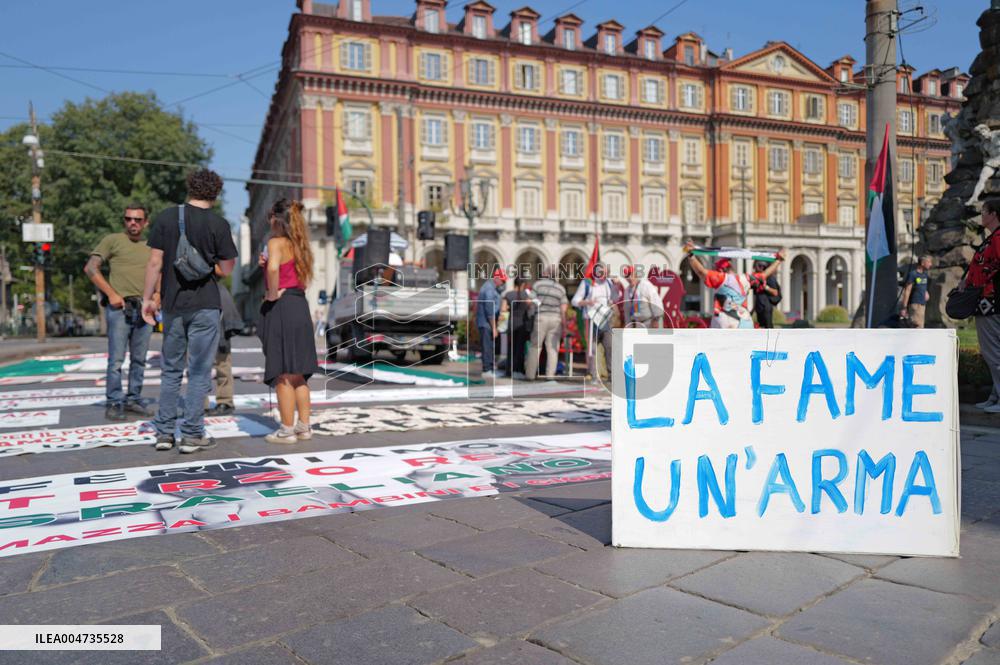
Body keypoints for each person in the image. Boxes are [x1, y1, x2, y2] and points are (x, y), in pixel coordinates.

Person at [142, 169, 238, 454]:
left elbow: (154, 263)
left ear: (190, 189)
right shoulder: (219, 224)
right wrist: (208, 265)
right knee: (199, 371)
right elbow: (227, 268)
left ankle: (164, 433)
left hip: (173, 304)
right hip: (206, 304)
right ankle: (193, 434)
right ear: (215, 194)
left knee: (171, 370)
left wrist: (148, 298)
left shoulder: (166, 217)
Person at [85, 204, 157, 421]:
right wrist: (111, 294)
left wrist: (158, 296)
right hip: (120, 309)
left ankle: (133, 399)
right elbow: (91, 268)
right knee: (116, 361)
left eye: (137, 219)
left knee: (139, 359)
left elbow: (159, 271)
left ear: (146, 223)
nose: (132, 223)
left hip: (144, 309)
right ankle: (114, 401)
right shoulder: (113, 240)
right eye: (128, 219)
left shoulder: (153, 245)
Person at [258, 199, 320, 444]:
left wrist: (272, 294)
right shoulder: (301, 245)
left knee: (283, 373)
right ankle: (304, 427)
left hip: (282, 307)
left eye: (269, 218)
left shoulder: (275, 242)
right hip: (300, 306)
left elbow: (275, 269)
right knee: (299, 375)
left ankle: (286, 430)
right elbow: (287, 271)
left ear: (276, 219)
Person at [683, 243, 785, 328]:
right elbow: (765, 274)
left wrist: (691, 256)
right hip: (745, 322)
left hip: (725, 322)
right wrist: (779, 260)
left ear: (721, 270)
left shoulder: (721, 278)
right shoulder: (746, 279)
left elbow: (701, 272)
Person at [965, 199, 1000, 411]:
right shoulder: (991, 238)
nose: (981, 215)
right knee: (994, 351)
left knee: (993, 352)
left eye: (984, 211)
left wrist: (979, 279)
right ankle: (995, 396)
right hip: (988, 301)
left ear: (993, 214)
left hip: (991, 302)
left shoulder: (996, 238)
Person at [205, 281, 244, 416]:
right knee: (202, 369)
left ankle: (225, 402)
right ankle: (204, 402)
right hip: (203, 331)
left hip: (218, 333)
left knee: (222, 366)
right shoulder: (218, 288)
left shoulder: (219, 288)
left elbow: (228, 311)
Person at [572, 263, 614, 381]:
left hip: (605, 319)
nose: (605, 275)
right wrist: (587, 302)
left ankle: (611, 375)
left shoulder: (609, 283)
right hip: (591, 320)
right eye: (603, 273)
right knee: (592, 348)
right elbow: (574, 301)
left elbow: (613, 298)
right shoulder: (587, 283)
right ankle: (593, 374)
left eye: (607, 273)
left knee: (609, 346)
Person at [526, 265, 569, 380]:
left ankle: (530, 375)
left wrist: (534, 305)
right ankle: (550, 375)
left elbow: (529, 301)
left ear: (546, 274)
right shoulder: (561, 289)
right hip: (556, 320)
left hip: (541, 318)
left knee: (535, 346)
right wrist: (564, 325)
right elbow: (563, 309)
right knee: (552, 349)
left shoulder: (538, 285)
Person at [500, 277, 534, 378]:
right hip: (522, 325)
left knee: (511, 348)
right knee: (520, 348)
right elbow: (530, 307)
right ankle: (518, 370)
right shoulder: (526, 295)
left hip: (511, 324)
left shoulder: (508, 294)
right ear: (523, 285)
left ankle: (509, 371)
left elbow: (503, 309)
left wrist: (509, 308)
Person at [476, 268, 506, 378]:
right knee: (487, 347)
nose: (503, 283)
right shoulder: (488, 289)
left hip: (488, 323)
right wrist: (494, 328)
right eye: (502, 281)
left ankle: (490, 369)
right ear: (497, 278)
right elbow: (489, 311)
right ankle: (486, 370)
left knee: (490, 346)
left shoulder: (493, 288)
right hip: (486, 323)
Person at [901, 255, 933, 328]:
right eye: (929, 262)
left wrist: (926, 292)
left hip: (922, 304)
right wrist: (904, 307)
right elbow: (907, 290)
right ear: (922, 263)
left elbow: (921, 286)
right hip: (915, 304)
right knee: (916, 326)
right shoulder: (913, 274)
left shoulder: (925, 274)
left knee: (921, 326)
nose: (931, 264)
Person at [751, 260, 783, 329]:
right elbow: (756, 295)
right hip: (759, 307)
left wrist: (765, 287)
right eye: (756, 266)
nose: (755, 268)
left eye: (758, 266)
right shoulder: (757, 279)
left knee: (768, 327)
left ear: (763, 267)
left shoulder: (770, 278)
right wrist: (753, 309)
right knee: (761, 327)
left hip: (766, 307)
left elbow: (775, 292)